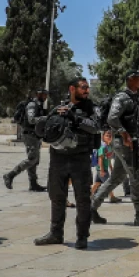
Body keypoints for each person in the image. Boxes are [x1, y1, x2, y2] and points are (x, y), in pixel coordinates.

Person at [34, 77, 101, 250]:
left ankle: (82, 236)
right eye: (83, 87)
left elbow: (96, 126)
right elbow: (46, 127)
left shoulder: (92, 108)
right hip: (58, 158)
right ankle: (56, 234)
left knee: (82, 199)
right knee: (57, 197)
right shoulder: (59, 107)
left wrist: (75, 118)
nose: (87, 90)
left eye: (87, 88)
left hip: (80, 159)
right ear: (72, 88)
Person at [90, 69, 139, 228]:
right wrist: (124, 134)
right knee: (136, 177)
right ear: (131, 79)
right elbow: (112, 118)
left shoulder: (135, 98)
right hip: (124, 143)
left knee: (116, 178)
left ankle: (92, 207)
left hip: (129, 143)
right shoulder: (122, 97)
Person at [3, 89, 49, 192]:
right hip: (29, 135)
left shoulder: (39, 105)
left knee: (34, 160)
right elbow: (31, 119)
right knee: (32, 159)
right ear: (39, 95)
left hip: (35, 135)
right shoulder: (32, 105)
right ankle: (10, 175)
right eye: (44, 95)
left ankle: (33, 184)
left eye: (46, 95)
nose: (46, 97)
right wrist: (46, 118)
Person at [91, 130, 121, 203]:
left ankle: (89, 195)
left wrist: (110, 167)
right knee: (108, 184)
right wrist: (102, 170)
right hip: (102, 168)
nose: (109, 137)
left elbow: (108, 158)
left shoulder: (109, 146)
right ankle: (112, 197)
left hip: (103, 168)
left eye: (110, 136)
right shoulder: (103, 146)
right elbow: (100, 158)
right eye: (107, 135)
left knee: (97, 183)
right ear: (103, 137)